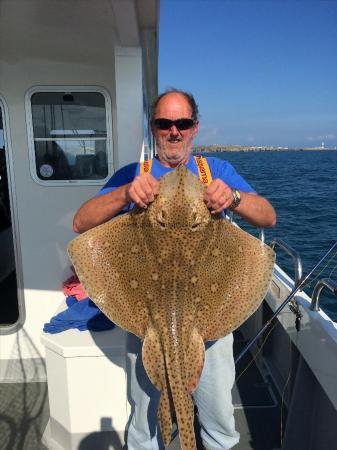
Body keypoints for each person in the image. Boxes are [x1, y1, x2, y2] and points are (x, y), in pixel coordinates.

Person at [73, 89, 276, 450]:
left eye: (182, 123)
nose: (174, 131)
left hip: (209, 321)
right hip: (146, 320)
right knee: (146, 419)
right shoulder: (133, 174)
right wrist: (124, 195)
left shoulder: (218, 171)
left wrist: (235, 198)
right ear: (153, 128)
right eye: (164, 123)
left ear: (195, 128)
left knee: (218, 418)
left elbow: (268, 217)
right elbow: (80, 224)